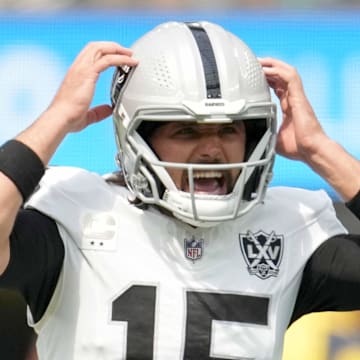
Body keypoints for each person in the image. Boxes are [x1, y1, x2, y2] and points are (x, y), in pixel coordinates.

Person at [0, 21, 360, 360]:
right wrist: (57, 117)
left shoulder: (284, 231)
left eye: (228, 129)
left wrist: (320, 149)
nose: (211, 150)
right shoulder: (76, 219)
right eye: (186, 131)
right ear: (139, 138)